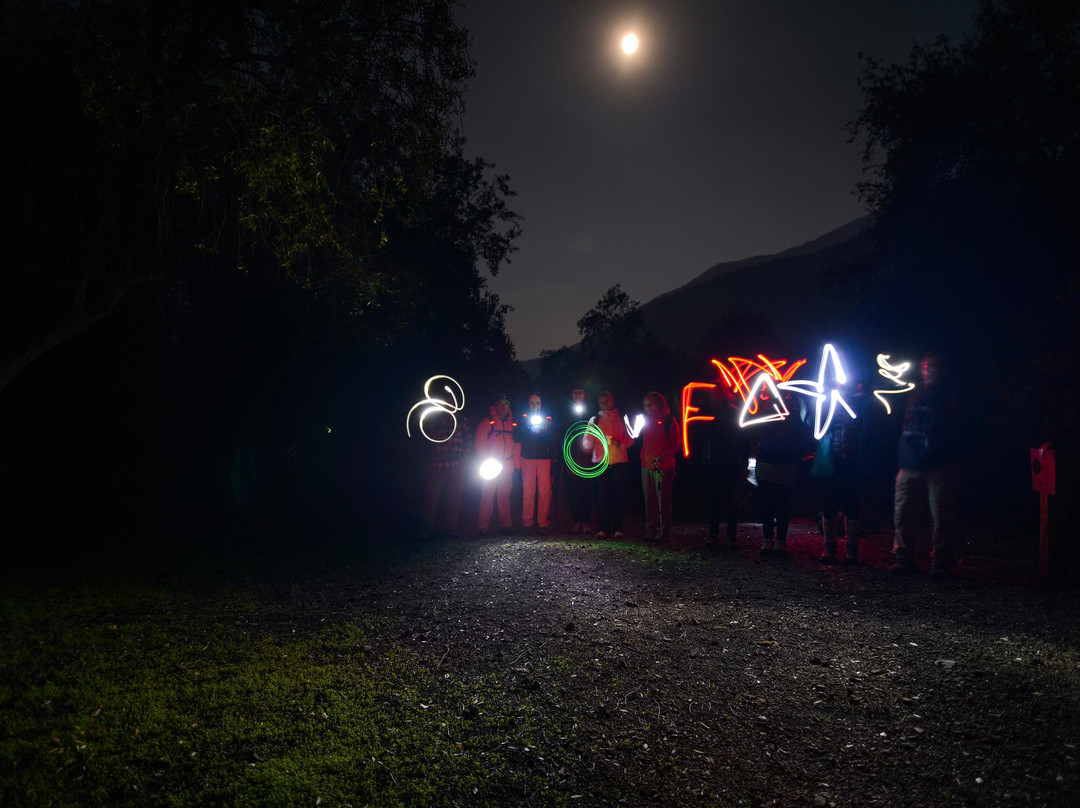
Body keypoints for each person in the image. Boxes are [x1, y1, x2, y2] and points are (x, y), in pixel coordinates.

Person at [891, 352, 961, 578]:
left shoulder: (951, 395)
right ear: (922, 369)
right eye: (928, 366)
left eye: (936, 366)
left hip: (939, 465)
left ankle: (940, 562)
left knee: (942, 515)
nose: (931, 370)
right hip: (909, 464)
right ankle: (903, 558)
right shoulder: (912, 393)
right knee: (904, 513)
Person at [816, 384, 868, 564]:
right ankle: (829, 548)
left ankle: (850, 551)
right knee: (830, 504)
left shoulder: (859, 405)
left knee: (851, 505)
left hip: (851, 462)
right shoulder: (830, 405)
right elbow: (819, 428)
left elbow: (864, 432)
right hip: (833, 462)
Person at [754, 392, 812, 556]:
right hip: (773, 464)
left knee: (777, 505)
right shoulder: (771, 415)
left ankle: (776, 540)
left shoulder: (785, 415)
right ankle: (774, 540)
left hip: (780, 464)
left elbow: (802, 436)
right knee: (775, 505)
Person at [697, 384, 749, 550]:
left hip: (729, 461)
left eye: (717, 392)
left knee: (730, 500)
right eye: (712, 393)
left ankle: (730, 536)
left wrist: (743, 462)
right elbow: (698, 437)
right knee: (713, 500)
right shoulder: (705, 413)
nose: (714, 395)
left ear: (725, 394)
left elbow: (743, 440)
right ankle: (714, 535)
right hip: (712, 462)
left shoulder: (733, 413)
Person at [582, 390, 631, 539]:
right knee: (602, 496)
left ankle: (618, 528)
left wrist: (621, 443)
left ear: (613, 401)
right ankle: (603, 528)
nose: (605, 403)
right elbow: (586, 441)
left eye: (607, 400)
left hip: (619, 462)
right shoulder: (594, 420)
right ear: (599, 403)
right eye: (602, 401)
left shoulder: (622, 418)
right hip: (600, 462)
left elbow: (631, 438)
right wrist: (590, 442)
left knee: (618, 496)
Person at [638, 391, 681, 541]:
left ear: (659, 403)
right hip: (646, 465)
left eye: (650, 403)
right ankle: (651, 528)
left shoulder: (669, 421)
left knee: (663, 498)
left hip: (664, 466)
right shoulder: (644, 421)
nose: (647, 407)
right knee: (649, 498)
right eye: (645, 404)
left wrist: (662, 458)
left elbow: (676, 444)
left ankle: (663, 528)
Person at [421, 411, 470, 539]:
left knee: (454, 497)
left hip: (456, 464)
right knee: (431, 497)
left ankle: (450, 529)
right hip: (438, 463)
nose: (451, 402)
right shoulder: (435, 417)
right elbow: (427, 435)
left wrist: (464, 458)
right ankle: (427, 527)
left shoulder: (461, 420)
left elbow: (467, 440)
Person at [514, 392, 556, 533]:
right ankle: (527, 522)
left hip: (544, 458)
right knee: (528, 492)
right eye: (532, 403)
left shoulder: (547, 418)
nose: (535, 406)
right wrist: (524, 426)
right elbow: (516, 438)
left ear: (541, 404)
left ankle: (543, 522)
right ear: (528, 405)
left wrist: (546, 428)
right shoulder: (523, 418)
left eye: (537, 403)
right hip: (527, 458)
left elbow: (552, 439)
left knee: (544, 491)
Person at [475, 395, 517, 535]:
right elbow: (479, 443)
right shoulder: (488, 422)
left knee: (505, 496)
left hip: (507, 465)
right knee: (487, 495)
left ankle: (506, 524)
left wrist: (516, 463)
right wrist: (484, 461)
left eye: (506, 404)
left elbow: (517, 444)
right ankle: (483, 526)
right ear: (495, 405)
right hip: (491, 465)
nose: (503, 407)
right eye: (500, 403)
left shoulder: (512, 423)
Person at [563, 387, 596, 533]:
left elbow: (594, 433)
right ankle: (577, 521)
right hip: (572, 458)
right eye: (575, 392)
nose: (577, 394)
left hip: (586, 458)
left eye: (580, 392)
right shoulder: (566, 413)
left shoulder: (590, 413)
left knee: (586, 490)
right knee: (573, 491)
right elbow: (563, 435)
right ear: (571, 394)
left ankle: (586, 521)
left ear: (584, 394)